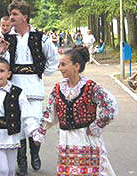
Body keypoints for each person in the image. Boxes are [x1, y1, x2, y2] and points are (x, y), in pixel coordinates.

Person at [0, 0, 59, 176]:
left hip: (33, 87)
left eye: (15, 14)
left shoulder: (40, 37)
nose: (11, 17)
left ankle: (34, 153)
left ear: (24, 17)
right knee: (16, 126)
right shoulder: (4, 37)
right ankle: (22, 163)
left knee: (33, 125)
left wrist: (40, 72)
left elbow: (53, 58)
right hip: (13, 86)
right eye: (10, 14)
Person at [33, 46, 118, 176]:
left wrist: (98, 124)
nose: (59, 68)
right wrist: (41, 131)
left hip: (87, 139)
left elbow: (110, 106)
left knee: (92, 171)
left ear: (76, 66)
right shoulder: (57, 89)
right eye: (59, 65)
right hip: (66, 140)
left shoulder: (90, 87)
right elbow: (50, 113)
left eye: (63, 64)